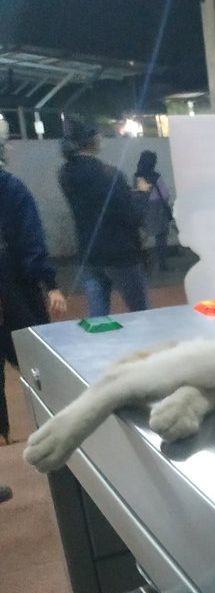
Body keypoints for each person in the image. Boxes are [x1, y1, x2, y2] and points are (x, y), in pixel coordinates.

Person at [0, 117, 67, 501]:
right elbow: (29, 241)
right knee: (38, 366)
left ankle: (6, 432)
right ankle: (54, 439)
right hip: (12, 295)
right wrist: (51, 284)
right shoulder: (11, 189)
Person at [59, 116, 149, 317]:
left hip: (89, 253)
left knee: (98, 315)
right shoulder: (109, 174)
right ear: (93, 139)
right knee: (141, 313)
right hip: (121, 253)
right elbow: (130, 215)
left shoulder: (66, 173)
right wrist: (142, 194)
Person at [134, 150, 172, 274]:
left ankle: (143, 265)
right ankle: (162, 264)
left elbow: (135, 194)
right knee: (161, 238)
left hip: (142, 209)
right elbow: (165, 194)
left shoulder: (137, 177)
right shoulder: (156, 176)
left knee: (141, 239)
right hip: (158, 209)